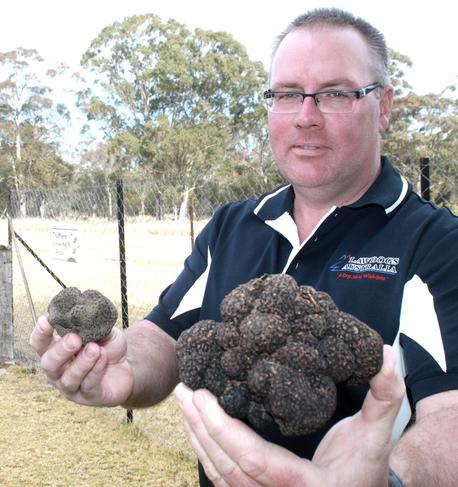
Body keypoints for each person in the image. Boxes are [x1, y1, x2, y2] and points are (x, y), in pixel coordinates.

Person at [31, 8, 458, 487]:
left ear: (382, 106)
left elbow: (451, 417)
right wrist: (121, 368)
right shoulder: (232, 225)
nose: (305, 117)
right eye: (288, 94)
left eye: (336, 94)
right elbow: (165, 339)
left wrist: (389, 482)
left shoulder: (440, 244)